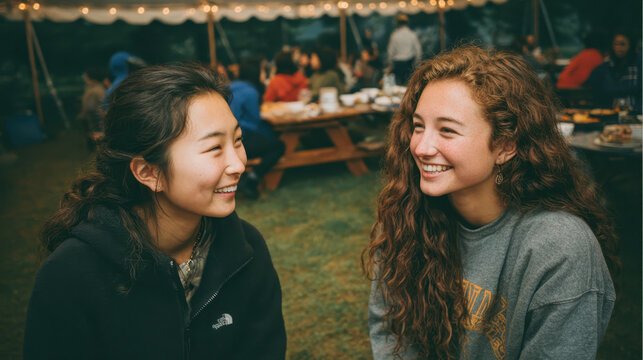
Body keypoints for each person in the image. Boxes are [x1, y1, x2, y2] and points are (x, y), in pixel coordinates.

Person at [363, 46, 618, 359]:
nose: (421, 147)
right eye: (418, 126)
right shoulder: (408, 215)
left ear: (505, 146)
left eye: (447, 130)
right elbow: (391, 332)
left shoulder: (560, 247)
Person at [23, 63, 287, 359]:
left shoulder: (244, 250)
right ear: (149, 172)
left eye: (237, 141)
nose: (238, 164)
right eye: (214, 148)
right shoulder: (72, 275)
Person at [229, 57, 286, 199]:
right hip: (240, 139)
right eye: (262, 70)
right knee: (278, 145)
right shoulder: (251, 92)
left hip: (226, 138)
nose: (263, 74)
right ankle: (252, 179)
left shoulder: (231, 87)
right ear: (255, 73)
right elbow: (254, 124)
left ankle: (247, 177)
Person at [585, 31, 642, 112]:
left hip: (636, 113)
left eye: (622, 44)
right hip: (610, 113)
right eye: (616, 44)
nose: (618, 48)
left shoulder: (639, 65)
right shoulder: (605, 67)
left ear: (631, 46)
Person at [386, 13, 422, 86]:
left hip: (398, 64)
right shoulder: (412, 34)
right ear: (407, 22)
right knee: (408, 84)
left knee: (398, 85)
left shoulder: (394, 35)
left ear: (397, 23)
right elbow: (418, 50)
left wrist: (390, 63)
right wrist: (417, 63)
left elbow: (390, 52)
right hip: (409, 63)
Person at [77, 66, 108, 144]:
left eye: (86, 76)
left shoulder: (98, 90)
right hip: (90, 120)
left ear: (92, 77)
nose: (84, 78)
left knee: (98, 141)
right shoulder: (91, 88)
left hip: (97, 121)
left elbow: (103, 106)